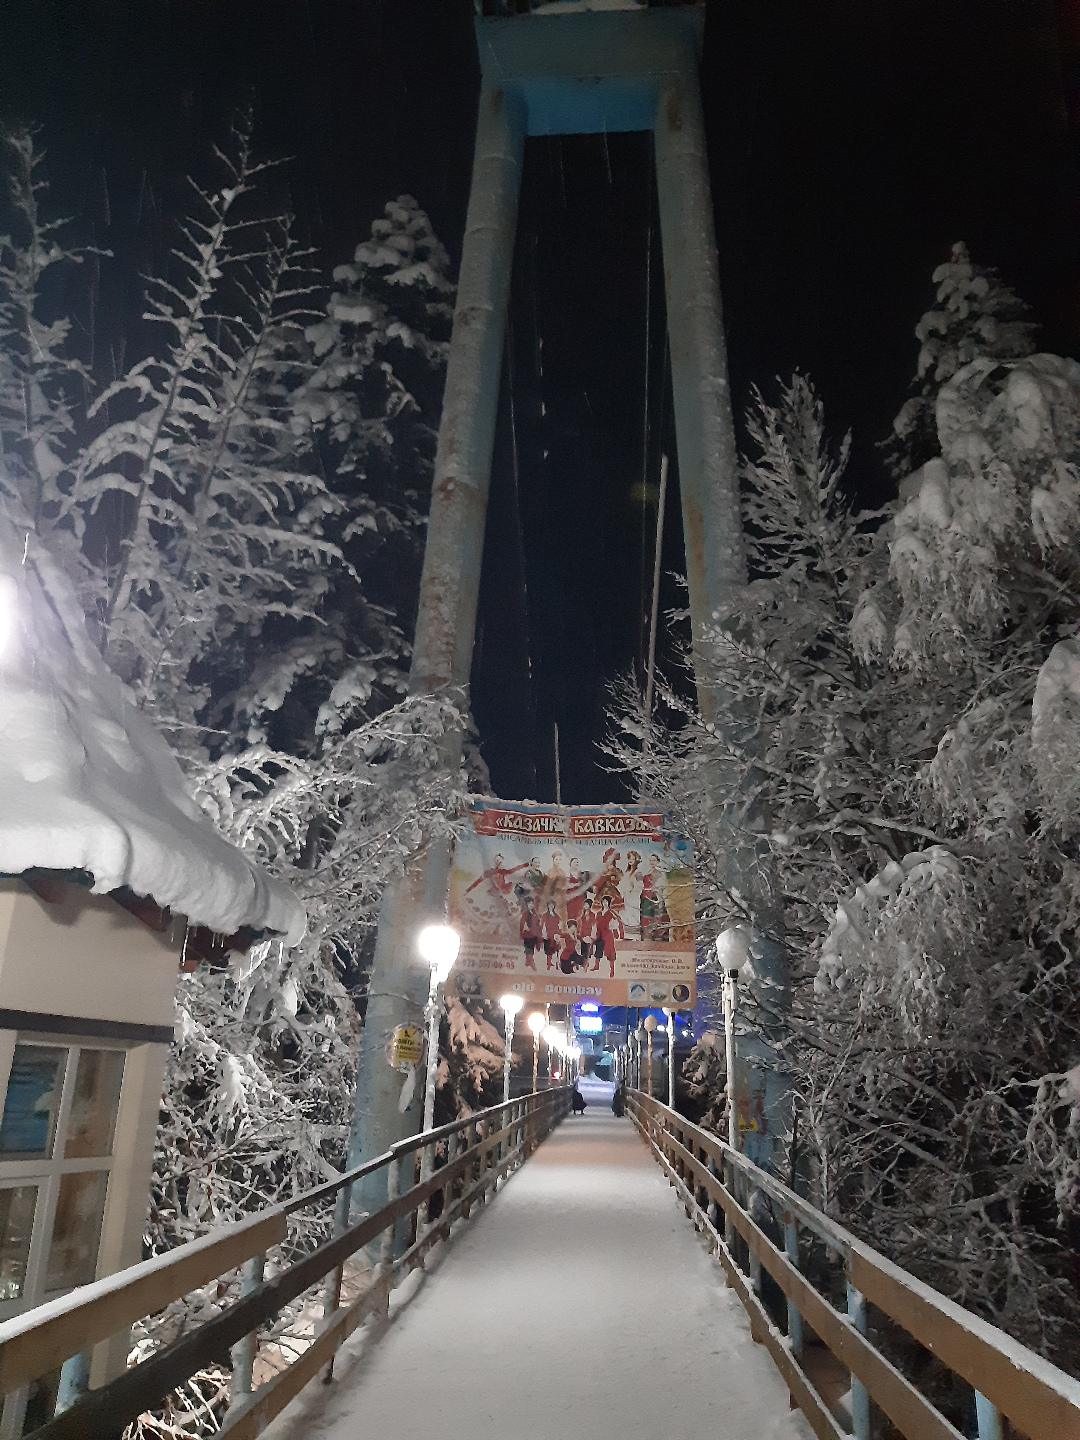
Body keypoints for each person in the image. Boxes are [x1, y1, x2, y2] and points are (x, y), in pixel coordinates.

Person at [594, 894, 624, 978]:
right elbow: (596, 924)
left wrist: (620, 934)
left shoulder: (612, 913)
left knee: (610, 952)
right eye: (603, 901)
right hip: (599, 934)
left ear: (609, 903)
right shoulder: (599, 913)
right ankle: (596, 966)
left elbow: (619, 922)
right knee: (598, 950)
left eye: (606, 901)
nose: (605, 903)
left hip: (608, 935)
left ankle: (612, 970)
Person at [540, 900, 561, 971]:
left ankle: (555, 963)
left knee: (555, 949)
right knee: (549, 949)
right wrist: (544, 934)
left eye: (552, 905)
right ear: (548, 906)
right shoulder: (545, 915)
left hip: (555, 934)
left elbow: (559, 924)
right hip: (548, 933)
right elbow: (542, 925)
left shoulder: (556, 915)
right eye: (550, 905)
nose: (551, 906)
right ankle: (548, 963)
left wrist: (558, 934)